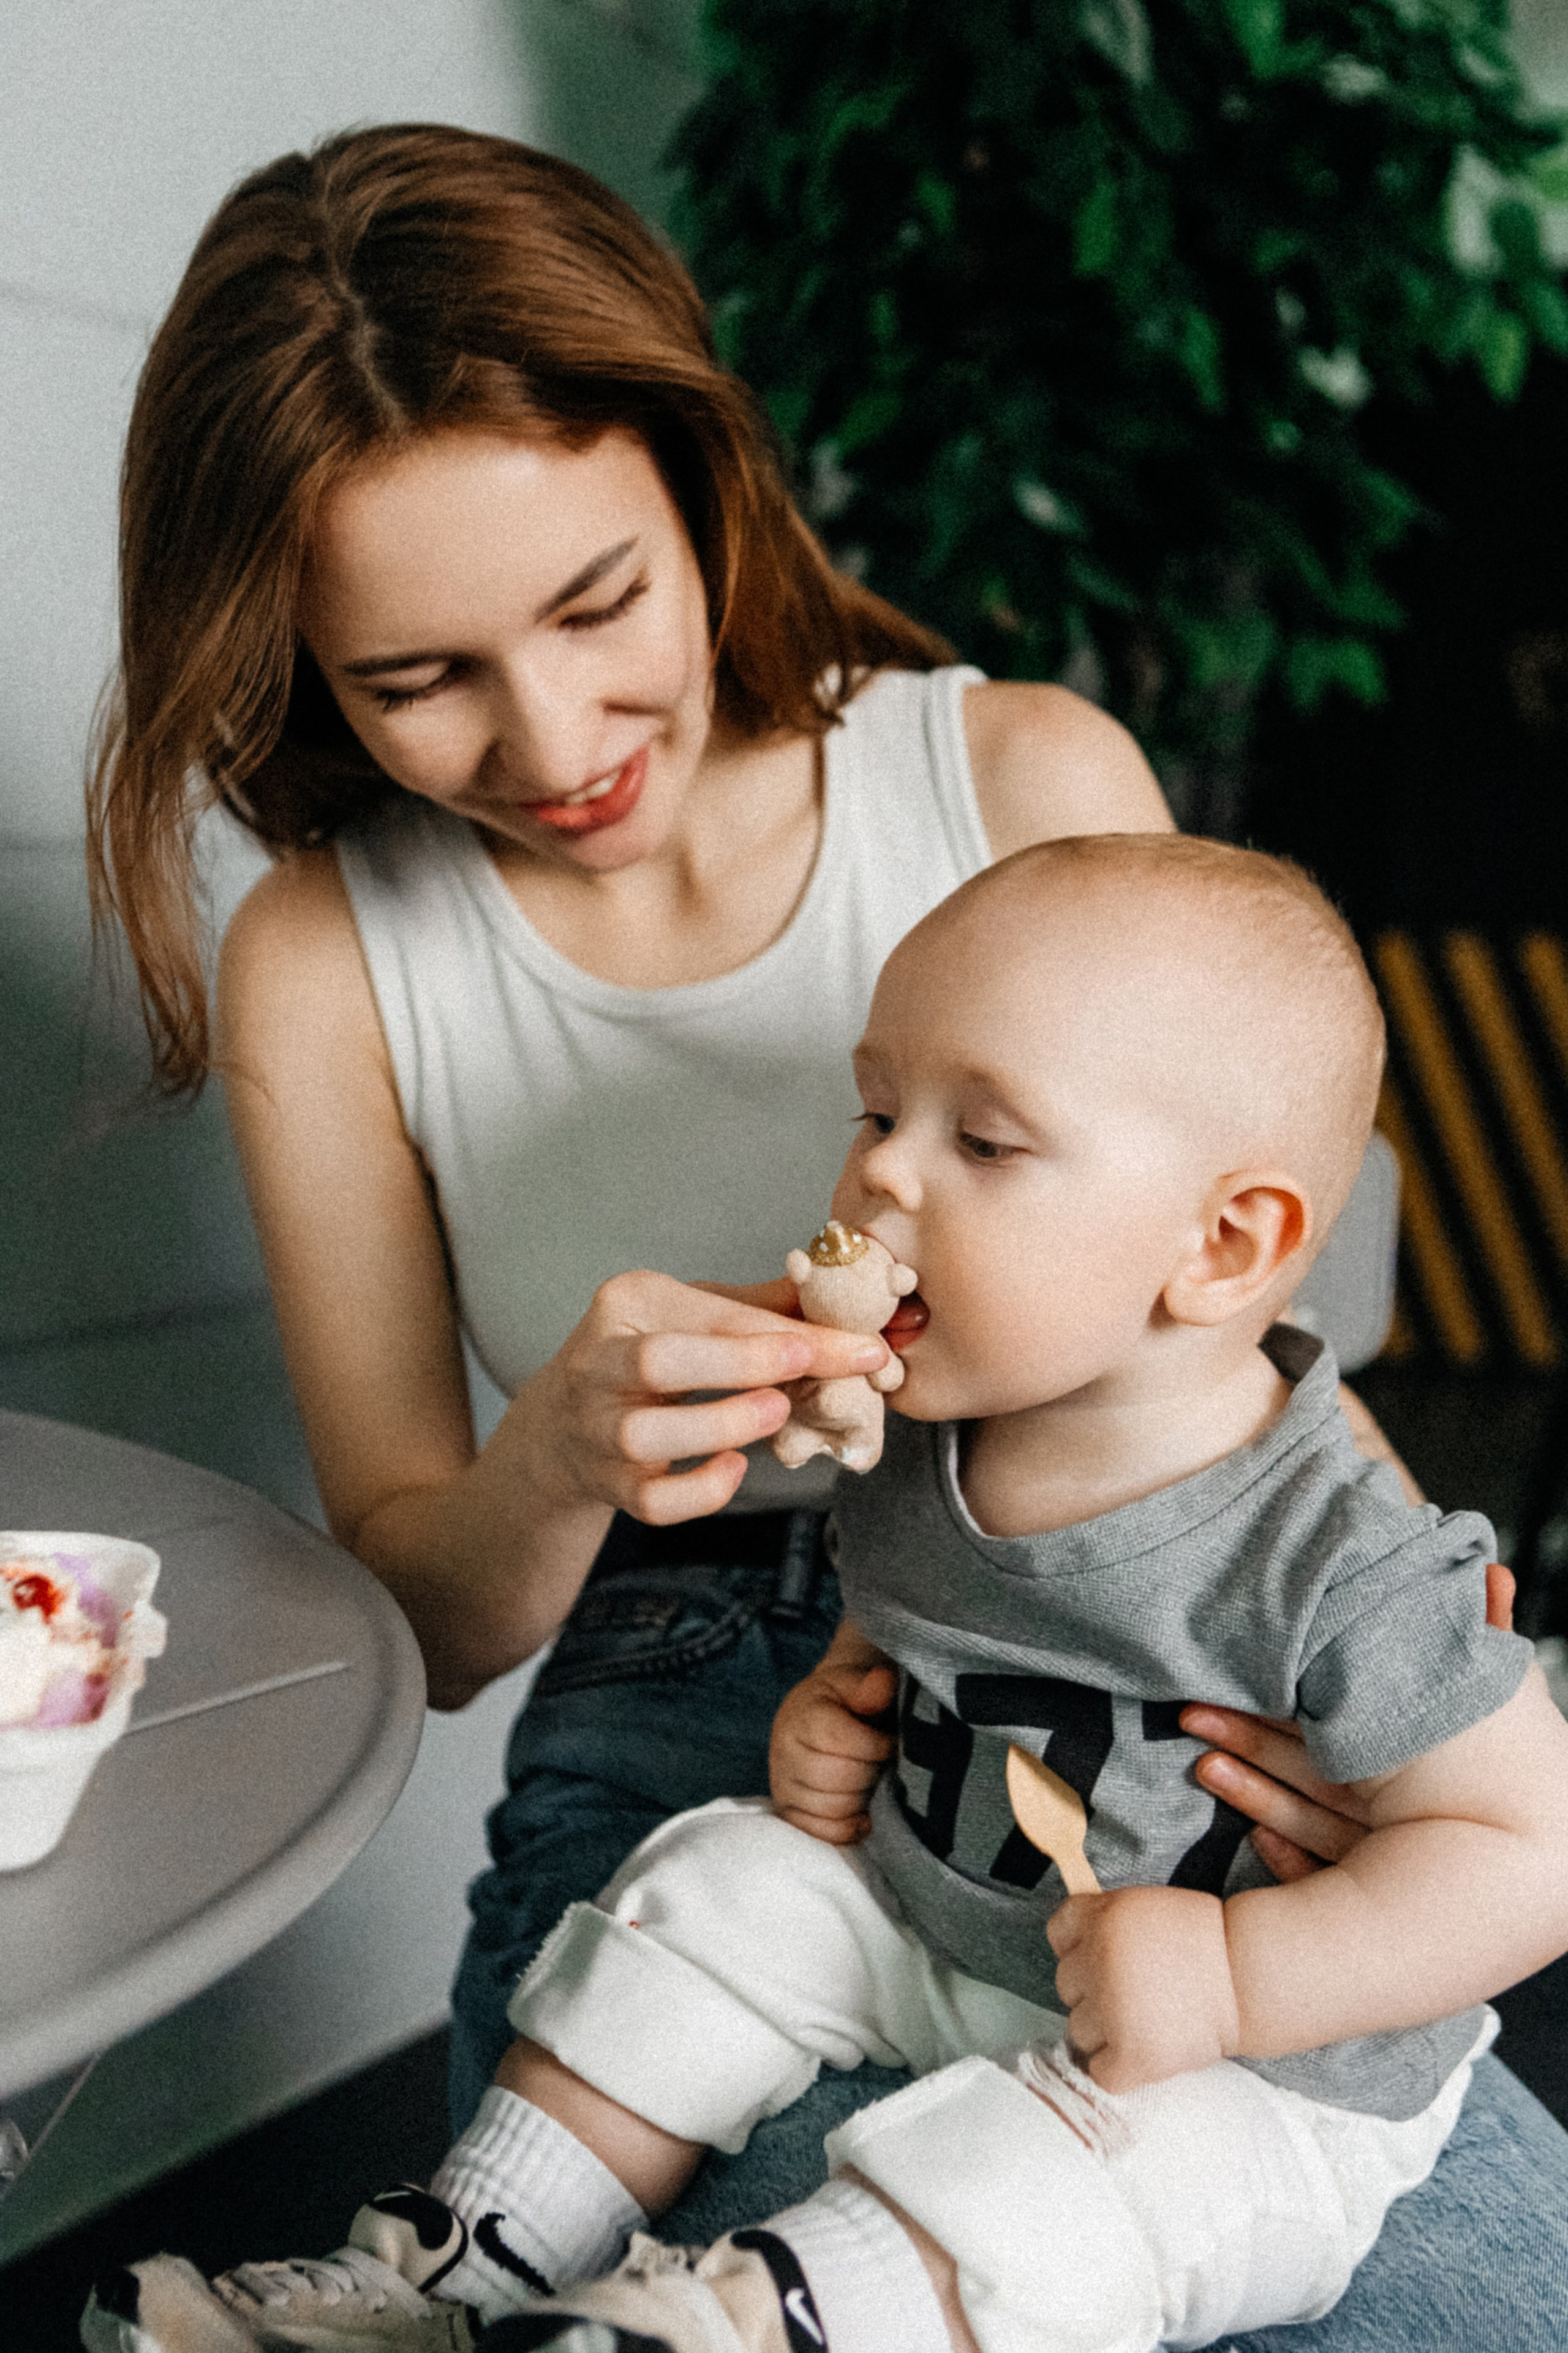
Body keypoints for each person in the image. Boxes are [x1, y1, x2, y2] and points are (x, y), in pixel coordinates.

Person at [80, 125, 1568, 2353]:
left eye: (599, 604)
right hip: (690, 1685)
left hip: (1168, 1659)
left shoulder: (1019, 779)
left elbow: (1237, 1333)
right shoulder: (329, 953)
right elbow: (434, 1623)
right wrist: (563, 1448)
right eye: (416, 677)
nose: (555, 740)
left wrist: (1388, 1665)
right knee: (793, 2225)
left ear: (707, 485)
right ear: (300, 660)